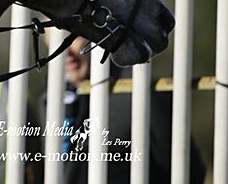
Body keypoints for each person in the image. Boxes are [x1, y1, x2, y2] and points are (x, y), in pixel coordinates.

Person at [40, 35, 206, 183]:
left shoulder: (140, 91)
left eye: (72, 37)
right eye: (55, 42)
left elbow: (188, 171)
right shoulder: (49, 101)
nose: (66, 51)